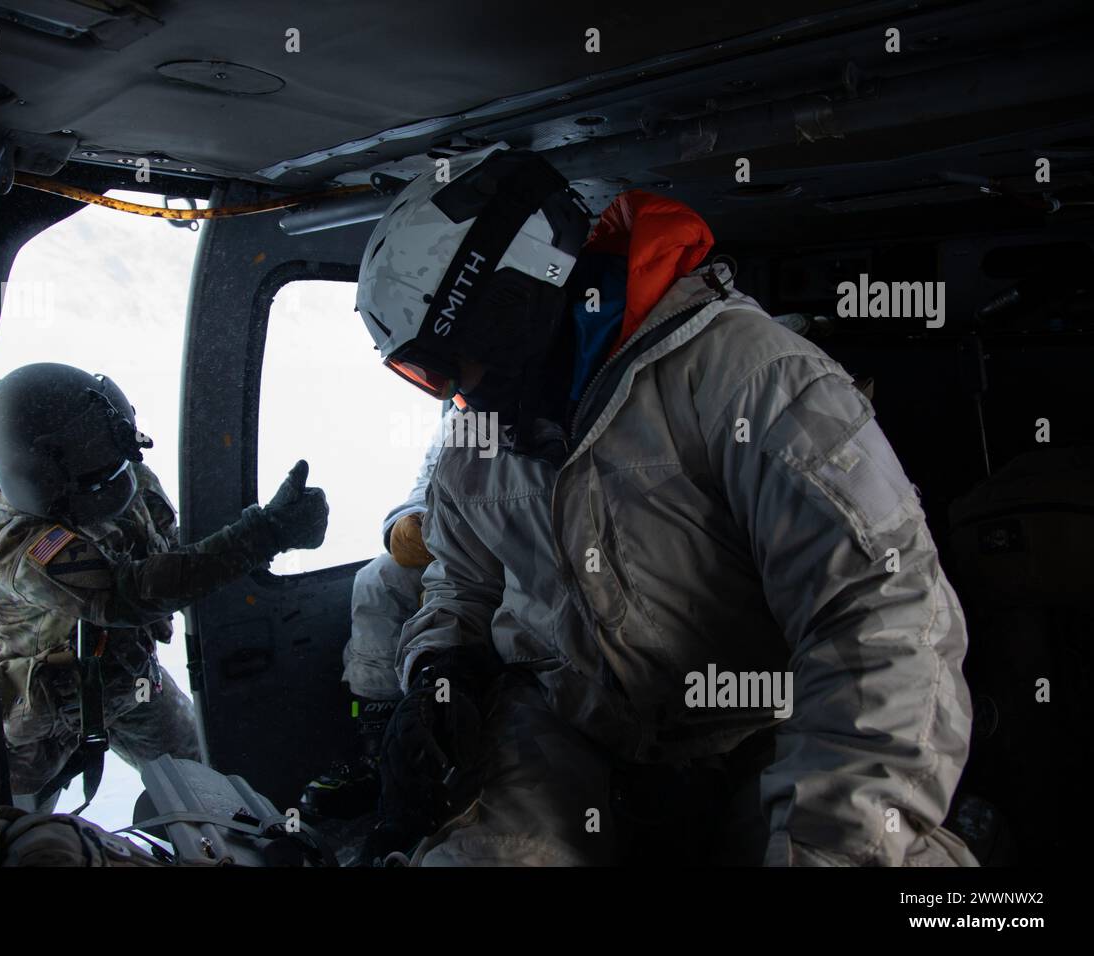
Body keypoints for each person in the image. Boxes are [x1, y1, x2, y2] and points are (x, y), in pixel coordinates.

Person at [354, 144, 976, 866]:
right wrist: (439, 669)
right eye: (424, 374)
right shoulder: (477, 434)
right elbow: (458, 584)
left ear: (505, 307)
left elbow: (883, 614)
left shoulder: (752, 377)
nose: (449, 388)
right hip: (568, 732)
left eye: (442, 359)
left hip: (760, 731)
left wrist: (834, 846)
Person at [0, 363, 328, 811]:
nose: (115, 483)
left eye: (115, 466)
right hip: (41, 721)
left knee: (208, 787)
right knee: (14, 835)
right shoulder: (16, 539)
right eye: (96, 478)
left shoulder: (123, 474)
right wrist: (264, 534)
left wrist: (263, 538)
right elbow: (124, 594)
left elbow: (176, 558)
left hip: (130, 685)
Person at [300, 407, 454, 819]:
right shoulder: (463, 417)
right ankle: (375, 750)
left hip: (505, 555)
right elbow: (425, 486)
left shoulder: (529, 408)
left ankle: (439, 746)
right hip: (455, 547)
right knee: (377, 580)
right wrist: (405, 523)